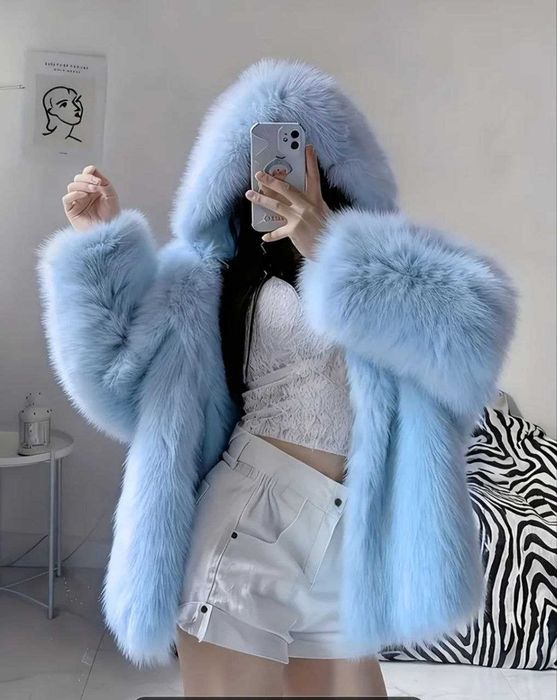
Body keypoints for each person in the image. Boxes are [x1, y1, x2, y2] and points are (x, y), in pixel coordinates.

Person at [36, 59, 518, 697]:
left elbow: (476, 332)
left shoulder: (392, 264)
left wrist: (332, 249)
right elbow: (117, 383)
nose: (276, 173)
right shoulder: (206, 273)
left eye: (296, 154)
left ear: (334, 166)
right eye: (260, 160)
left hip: (347, 536)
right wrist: (97, 246)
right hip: (250, 519)